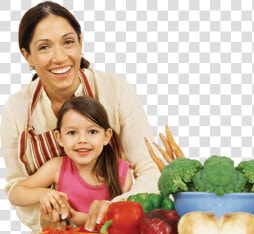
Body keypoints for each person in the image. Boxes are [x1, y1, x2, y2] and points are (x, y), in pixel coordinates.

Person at [1, 1, 160, 233]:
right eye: (44, 47)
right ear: (27, 56)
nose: (59, 57)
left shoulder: (115, 90)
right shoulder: (16, 109)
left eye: (68, 42)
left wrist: (114, 209)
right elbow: (16, 187)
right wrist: (50, 213)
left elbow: (150, 169)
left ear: (80, 43)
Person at [8, 96, 133, 230]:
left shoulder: (121, 171)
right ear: (59, 138)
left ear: (106, 136)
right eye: (72, 132)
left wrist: (77, 217)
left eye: (92, 131)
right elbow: (15, 194)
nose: (82, 140)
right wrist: (42, 194)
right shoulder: (57, 167)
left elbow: (126, 222)